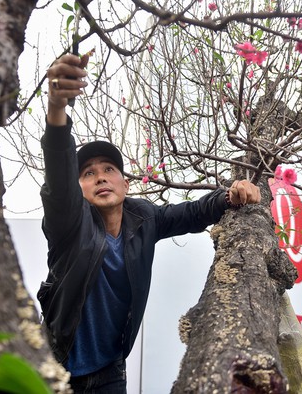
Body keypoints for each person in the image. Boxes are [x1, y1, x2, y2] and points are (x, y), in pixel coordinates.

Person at [37, 53, 261, 393]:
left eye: (109, 169)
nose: (100, 177)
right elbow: (58, 175)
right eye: (88, 173)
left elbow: (191, 213)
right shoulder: (69, 222)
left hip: (110, 370)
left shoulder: (143, 218)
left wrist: (230, 196)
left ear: (125, 185)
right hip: (54, 367)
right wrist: (57, 108)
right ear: (77, 188)